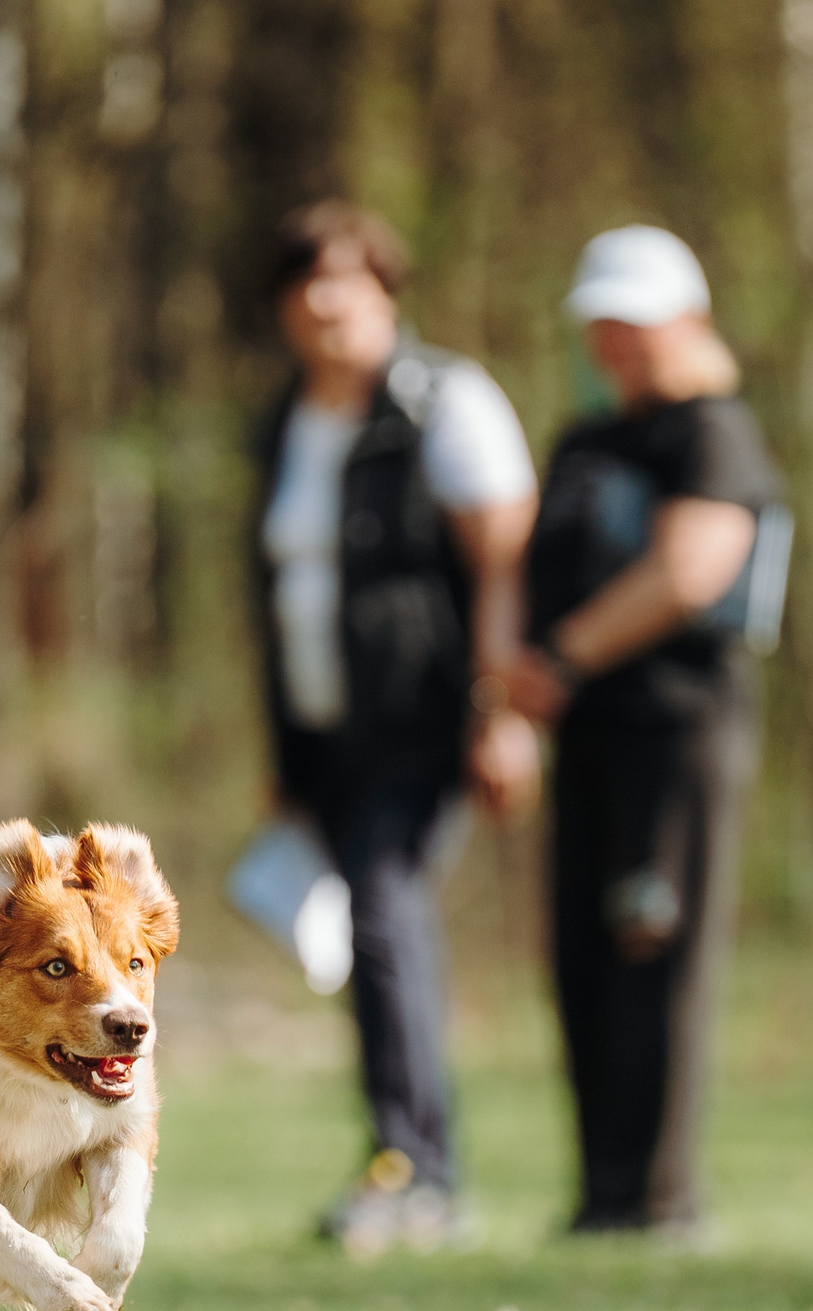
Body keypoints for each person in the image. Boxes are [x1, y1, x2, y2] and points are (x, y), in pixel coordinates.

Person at [253, 201, 542, 1256]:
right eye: (307, 282)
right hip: (321, 733)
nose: (327, 301)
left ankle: (421, 1169)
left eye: (350, 280)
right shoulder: (283, 420)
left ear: (387, 293)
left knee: (383, 918)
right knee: (362, 936)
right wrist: (279, 756)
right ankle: (400, 1155)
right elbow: (278, 593)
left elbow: (503, 556)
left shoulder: (440, 403)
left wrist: (501, 712)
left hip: (420, 722)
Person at [507, 226, 784, 1236]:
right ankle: (602, 1193)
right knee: (581, 956)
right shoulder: (584, 439)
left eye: (636, 322)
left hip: (676, 733)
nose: (616, 342)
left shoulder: (710, 431)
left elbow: (691, 568)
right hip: (583, 733)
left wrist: (563, 657)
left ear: (685, 320)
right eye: (602, 324)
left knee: (653, 947)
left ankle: (662, 1197)